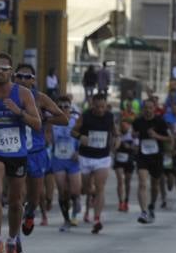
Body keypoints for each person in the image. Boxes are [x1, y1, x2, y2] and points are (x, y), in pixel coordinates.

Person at [0, 52, 42, 253]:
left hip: (17, 151)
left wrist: (19, 112)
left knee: (15, 200)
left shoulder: (23, 95)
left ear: (11, 72)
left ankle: (12, 241)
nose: (0, 73)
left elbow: (37, 124)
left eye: (4, 69)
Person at [15, 62, 63, 237]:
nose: (22, 80)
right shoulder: (5, 97)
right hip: (14, 152)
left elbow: (63, 118)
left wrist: (45, 119)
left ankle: (30, 213)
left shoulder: (40, 99)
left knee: (34, 198)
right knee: (18, 196)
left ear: (33, 81)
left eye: (27, 77)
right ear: (14, 78)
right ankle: (15, 239)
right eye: (19, 76)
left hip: (36, 153)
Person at [72, 92, 116, 234]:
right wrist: (80, 136)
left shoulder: (110, 116)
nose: (100, 110)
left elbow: (115, 132)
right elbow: (72, 132)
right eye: (97, 107)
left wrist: (117, 140)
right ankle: (90, 196)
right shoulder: (85, 116)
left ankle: (97, 219)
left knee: (100, 187)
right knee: (86, 189)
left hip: (102, 157)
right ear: (92, 105)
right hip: (86, 156)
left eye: (103, 107)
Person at [130, 99, 172, 224]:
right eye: (146, 108)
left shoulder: (160, 121)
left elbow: (169, 138)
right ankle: (143, 212)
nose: (148, 110)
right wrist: (134, 135)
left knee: (155, 186)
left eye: (150, 108)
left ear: (154, 108)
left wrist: (157, 136)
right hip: (142, 156)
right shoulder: (138, 121)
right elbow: (133, 134)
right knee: (142, 183)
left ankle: (152, 205)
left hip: (156, 157)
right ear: (143, 109)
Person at [48, 95, 82, 232]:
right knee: (62, 191)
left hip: (72, 159)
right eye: (60, 107)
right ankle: (66, 219)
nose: (62, 109)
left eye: (65, 106)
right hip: (58, 159)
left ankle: (76, 207)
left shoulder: (76, 122)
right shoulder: (52, 123)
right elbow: (48, 138)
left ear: (70, 107)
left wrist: (79, 152)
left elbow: (83, 138)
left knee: (74, 191)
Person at [113, 118, 137, 214]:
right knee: (120, 180)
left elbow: (136, 149)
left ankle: (126, 201)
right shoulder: (116, 134)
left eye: (126, 125)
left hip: (129, 160)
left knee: (127, 182)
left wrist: (130, 147)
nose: (124, 127)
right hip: (118, 160)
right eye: (122, 126)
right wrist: (116, 144)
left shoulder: (132, 135)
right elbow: (112, 149)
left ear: (129, 126)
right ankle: (120, 202)